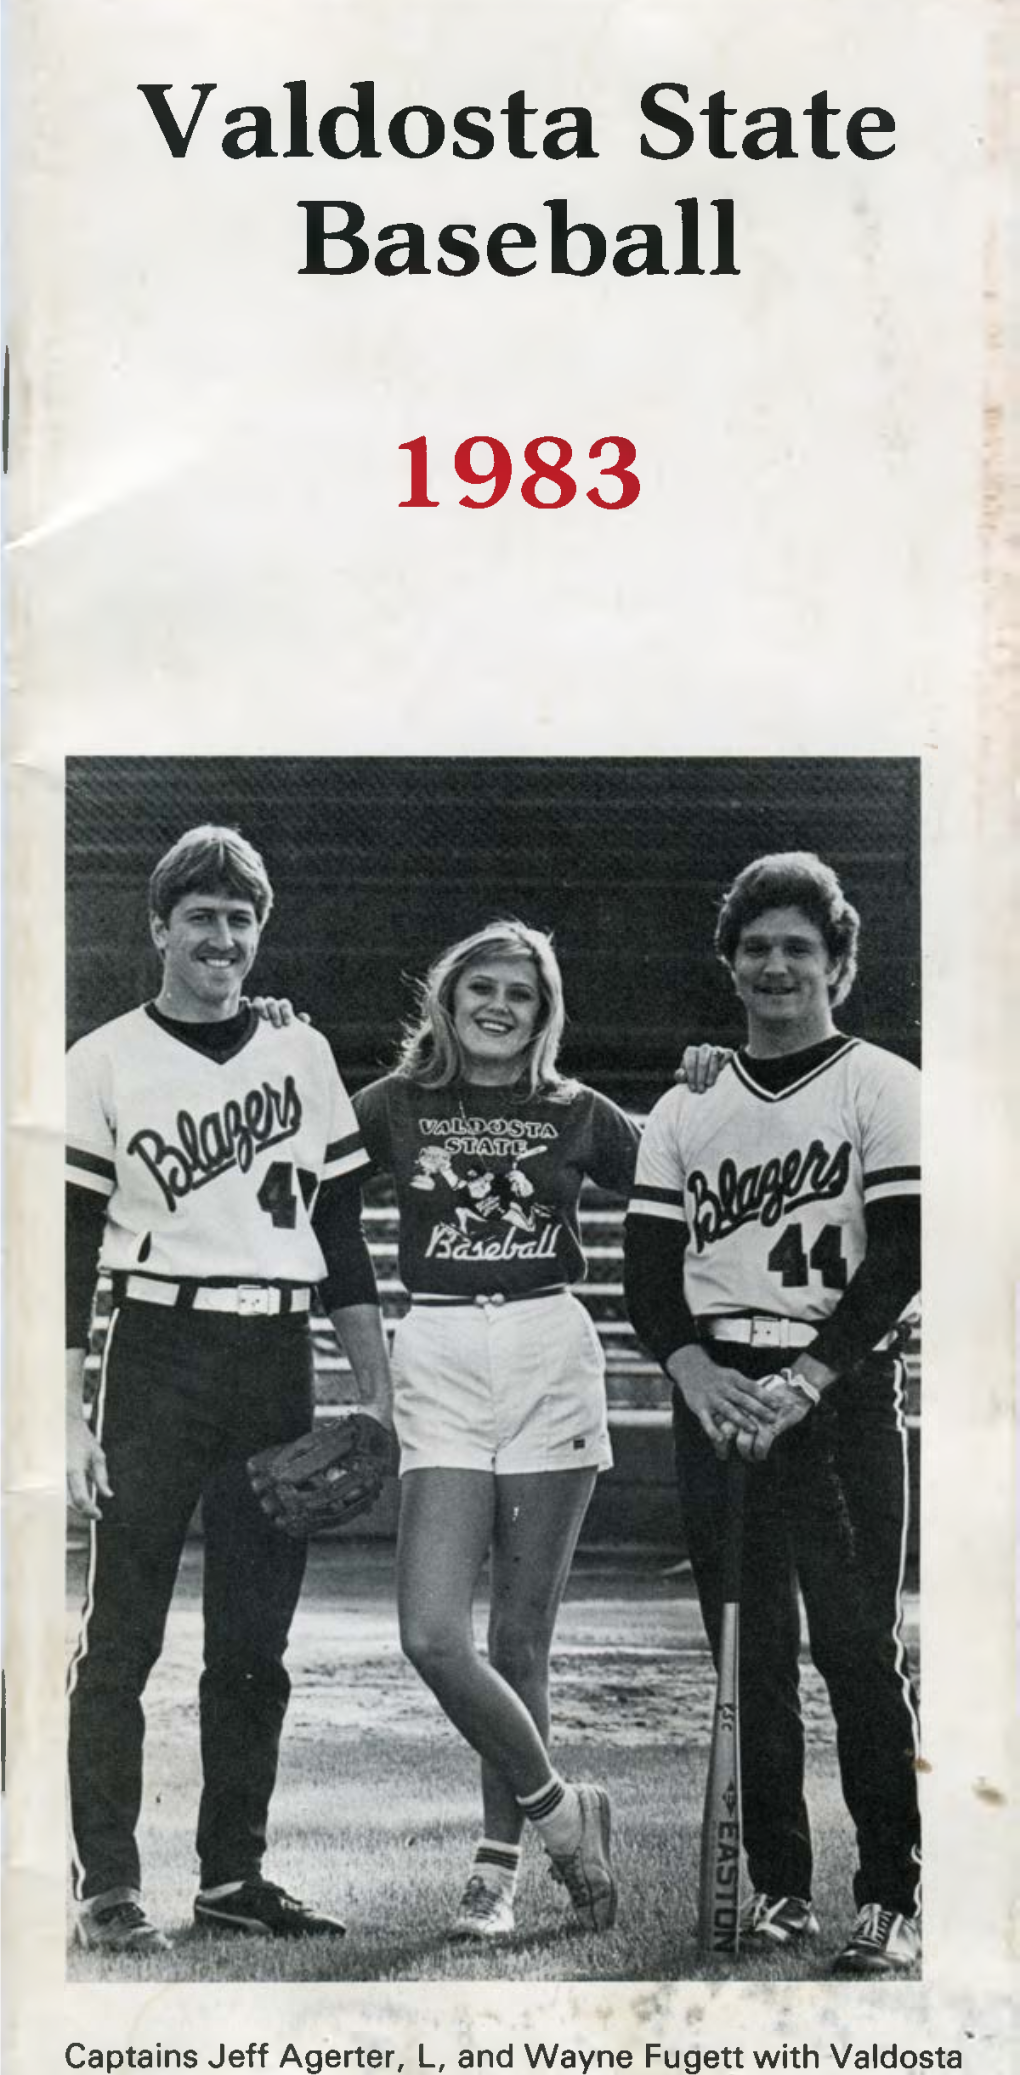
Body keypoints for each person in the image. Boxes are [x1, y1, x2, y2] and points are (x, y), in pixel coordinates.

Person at [66, 825, 393, 1954]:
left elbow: (341, 1237)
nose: (221, 936)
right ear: (158, 928)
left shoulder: (300, 1056)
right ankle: (109, 1883)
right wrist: (68, 1410)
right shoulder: (103, 1058)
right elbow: (69, 1249)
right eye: (200, 916)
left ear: (260, 934)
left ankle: (231, 1877)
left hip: (275, 1361)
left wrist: (379, 1394)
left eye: (240, 918)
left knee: (254, 1646)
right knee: (122, 1637)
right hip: (156, 1352)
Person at [624, 852, 921, 1978]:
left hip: (834, 1392)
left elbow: (901, 1255)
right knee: (746, 1658)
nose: (777, 964)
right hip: (719, 1393)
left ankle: (889, 1896)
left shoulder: (880, 1084)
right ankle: (783, 1890)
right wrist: (700, 1379)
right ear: (731, 966)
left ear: (837, 962)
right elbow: (651, 1280)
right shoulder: (688, 1103)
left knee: (856, 1650)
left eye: (800, 946)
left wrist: (803, 1382)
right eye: (757, 947)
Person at [353, 919, 641, 1942]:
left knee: (520, 1638)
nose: (499, 1006)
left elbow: (680, 1184)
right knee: (433, 1632)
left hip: (548, 1350)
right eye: (481, 985)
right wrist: (275, 1035)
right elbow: (310, 1180)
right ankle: (567, 1815)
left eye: (521, 993)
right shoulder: (396, 1105)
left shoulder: (576, 1111)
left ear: (545, 1011)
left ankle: (495, 1872)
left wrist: (705, 1080)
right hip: (436, 1350)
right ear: (448, 995)